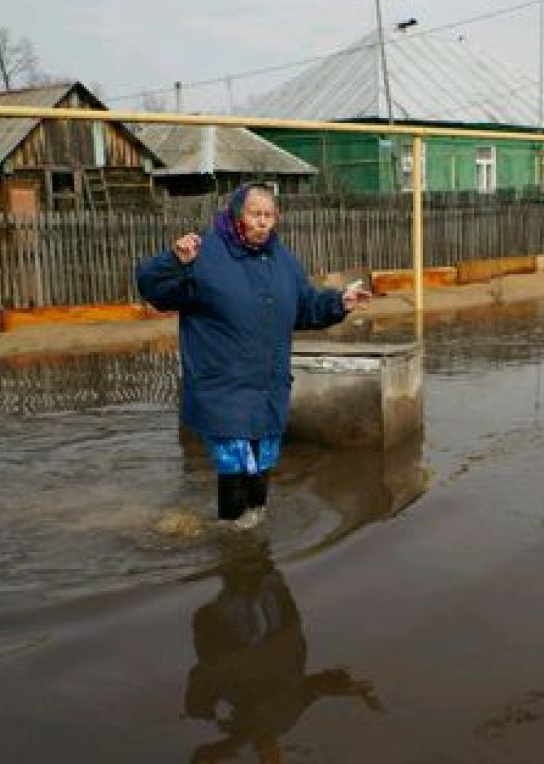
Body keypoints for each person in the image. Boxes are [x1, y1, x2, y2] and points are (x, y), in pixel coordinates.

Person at [137, 184, 370, 529]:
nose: (262, 222)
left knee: (261, 465)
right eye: (254, 214)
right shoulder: (203, 255)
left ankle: (252, 538)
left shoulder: (284, 262)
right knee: (234, 466)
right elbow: (153, 289)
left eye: (268, 215)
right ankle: (233, 545)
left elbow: (305, 308)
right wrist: (172, 262)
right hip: (224, 385)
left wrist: (338, 303)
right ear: (236, 215)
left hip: (269, 386)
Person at [183, 542, 384, 763]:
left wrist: (229, 740)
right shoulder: (287, 718)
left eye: (267, 760)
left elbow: (211, 747)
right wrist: (348, 688)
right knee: (257, 562)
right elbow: (313, 689)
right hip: (278, 631)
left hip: (249, 642)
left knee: (245, 572)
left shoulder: (248, 729)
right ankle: (236, 534)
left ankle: (229, 536)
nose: (272, 757)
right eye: (275, 759)